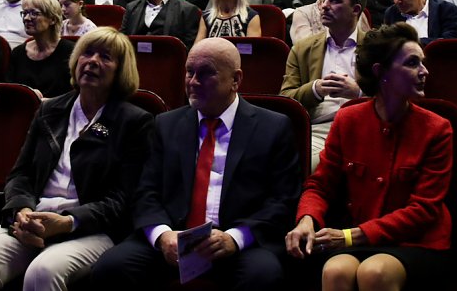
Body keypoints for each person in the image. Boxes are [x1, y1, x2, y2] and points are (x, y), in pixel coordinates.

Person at [89, 38, 301, 290]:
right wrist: (162, 235)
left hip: (240, 242)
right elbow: (146, 191)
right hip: (175, 236)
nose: (193, 82)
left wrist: (235, 238)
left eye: (206, 73)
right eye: (189, 72)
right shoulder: (165, 125)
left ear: (236, 79)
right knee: (112, 267)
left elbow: (282, 200)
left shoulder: (273, 127)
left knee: (263, 275)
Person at [0, 27, 154, 291]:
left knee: (43, 272)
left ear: (121, 71)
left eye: (106, 57)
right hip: (36, 216)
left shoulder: (135, 122)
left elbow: (122, 200)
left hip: (91, 227)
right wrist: (22, 210)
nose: (93, 61)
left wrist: (68, 222)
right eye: (87, 53)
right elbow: (20, 174)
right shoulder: (50, 110)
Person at [285, 22, 453, 290]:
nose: (424, 72)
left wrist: (352, 237)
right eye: (412, 63)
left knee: (375, 273)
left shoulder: (437, 128)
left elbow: (424, 210)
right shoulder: (349, 119)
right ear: (381, 72)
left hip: (417, 241)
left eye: (422, 62)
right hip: (359, 235)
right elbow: (320, 185)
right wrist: (307, 219)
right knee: (335, 271)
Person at [281, 0, 368, 171]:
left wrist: (359, 94)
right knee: (301, 167)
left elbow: (397, 96)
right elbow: (285, 99)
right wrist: (315, 89)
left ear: (355, 10)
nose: (324, 6)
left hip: (368, 126)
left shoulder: (377, 46)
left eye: (335, 0)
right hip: (320, 129)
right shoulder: (302, 49)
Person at [7, 0, 75, 99]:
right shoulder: (18, 53)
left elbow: (76, 94)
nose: (27, 18)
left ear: (52, 19)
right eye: (24, 13)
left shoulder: (70, 51)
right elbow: (9, 92)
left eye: (34, 13)